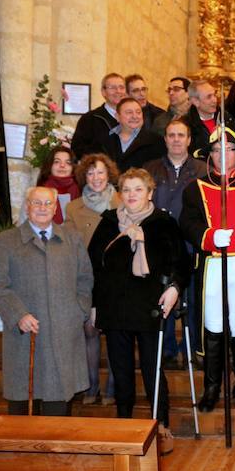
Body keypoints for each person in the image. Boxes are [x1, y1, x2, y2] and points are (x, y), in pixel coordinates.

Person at [89, 168, 187, 455]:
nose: (132, 195)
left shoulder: (164, 223)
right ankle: (123, 424)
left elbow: (180, 264)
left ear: (150, 193)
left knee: (152, 370)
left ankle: (161, 425)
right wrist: (95, 305)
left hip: (151, 307)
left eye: (138, 189)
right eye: (127, 189)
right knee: (120, 371)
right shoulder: (108, 223)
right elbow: (94, 267)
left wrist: (174, 289)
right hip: (115, 306)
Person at [180, 127, 235, 411]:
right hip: (212, 264)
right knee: (213, 328)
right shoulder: (196, 188)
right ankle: (212, 386)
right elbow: (188, 223)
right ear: (210, 156)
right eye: (217, 150)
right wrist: (208, 236)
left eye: (229, 149)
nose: (223, 154)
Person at [0, 186, 93, 416]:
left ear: (55, 207)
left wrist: (79, 311)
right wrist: (18, 315)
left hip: (64, 334)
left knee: (59, 403)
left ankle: (58, 450)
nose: (43, 208)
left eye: (48, 204)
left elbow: (85, 279)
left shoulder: (72, 240)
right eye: (37, 203)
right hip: (25, 335)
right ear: (27, 206)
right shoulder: (4, 242)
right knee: (24, 402)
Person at [144, 118, 206, 369]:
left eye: (181, 135)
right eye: (172, 135)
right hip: (161, 246)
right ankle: (167, 349)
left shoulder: (203, 170)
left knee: (191, 300)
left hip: (192, 244)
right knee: (163, 298)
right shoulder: (151, 169)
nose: (176, 139)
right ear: (165, 138)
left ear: (189, 139)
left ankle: (190, 349)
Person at [65, 153, 121, 405]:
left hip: (114, 277)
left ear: (108, 174)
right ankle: (90, 387)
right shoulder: (73, 207)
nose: (96, 177)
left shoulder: (122, 201)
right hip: (85, 276)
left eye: (100, 172)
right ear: (83, 176)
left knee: (113, 332)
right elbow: (67, 242)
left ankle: (112, 388)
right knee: (89, 330)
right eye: (90, 173)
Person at [103, 97, 165, 172]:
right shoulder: (104, 140)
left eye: (138, 112)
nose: (135, 116)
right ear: (117, 117)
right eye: (129, 112)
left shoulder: (157, 141)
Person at [72, 72, 124, 158]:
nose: (118, 91)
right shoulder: (89, 119)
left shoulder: (134, 118)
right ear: (103, 92)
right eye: (113, 88)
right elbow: (77, 149)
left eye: (121, 87)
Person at [186, 79, 232, 156]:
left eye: (214, 95)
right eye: (209, 97)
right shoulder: (186, 125)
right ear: (195, 101)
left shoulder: (227, 119)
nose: (214, 100)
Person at [36, 145, 80, 224]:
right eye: (57, 162)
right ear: (49, 166)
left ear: (73, 167)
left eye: (68, 162)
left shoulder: (81, 193)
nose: (62, 165)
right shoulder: (35, 194)